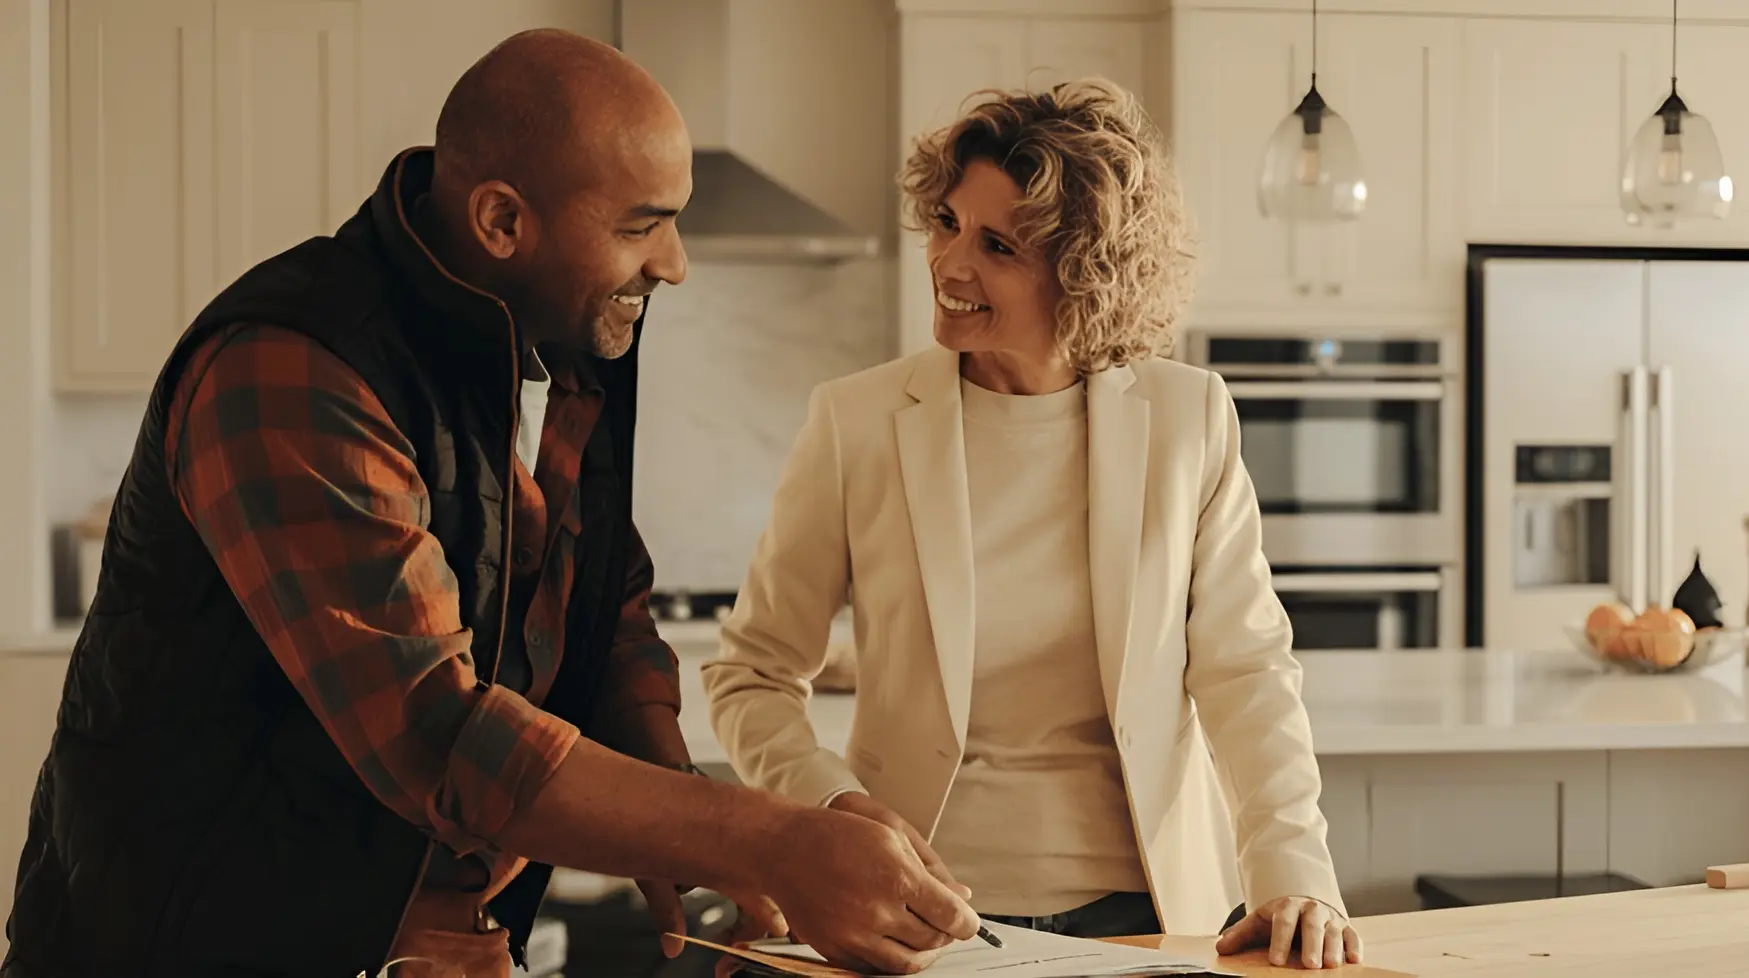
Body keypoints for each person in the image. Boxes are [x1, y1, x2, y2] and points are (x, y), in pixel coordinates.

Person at [1, 29, 976, 978]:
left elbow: (603, 600)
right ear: (503, 222)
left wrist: (678, 812)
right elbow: (435, 729)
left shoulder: (558, 336)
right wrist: (763, 839)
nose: (674, 263)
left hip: (426, 943)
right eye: (641, 226)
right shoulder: (291, 368)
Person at [702, 78, 1363, 969]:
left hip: (1157, 911)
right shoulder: (857, 422)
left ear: (1084, 272)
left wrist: (1295, 872)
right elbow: (751, 673)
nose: (950, 264)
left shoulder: (1188, 417)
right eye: (946, 223)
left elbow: (1246, 670)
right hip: (923, 915)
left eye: (997, 245)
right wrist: (834, 809)